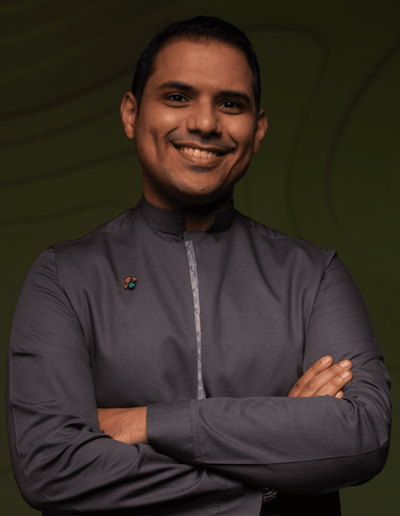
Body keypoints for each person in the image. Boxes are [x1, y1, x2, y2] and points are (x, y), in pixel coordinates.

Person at [6, 15, 391, 516]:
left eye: (230, 104)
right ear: (131, 114)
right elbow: (51, 467)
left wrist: (144, 422)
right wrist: (273, 476)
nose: (206, 123)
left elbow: (362, 435)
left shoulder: (315, 274)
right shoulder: (63, 276)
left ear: (258, 130)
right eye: (177, 96)